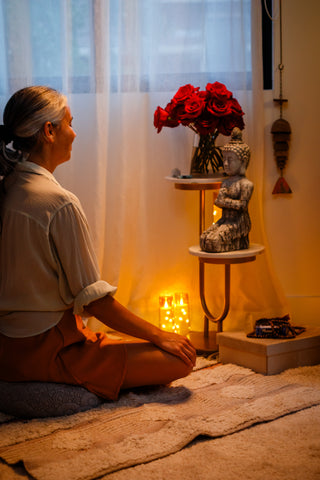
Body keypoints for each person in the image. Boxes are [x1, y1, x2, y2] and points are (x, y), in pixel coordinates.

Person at [0, 86, 196, 401]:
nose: (75, 134)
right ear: (49, 131)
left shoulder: (7, 188)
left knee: (121, 343)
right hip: (51, 351)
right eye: (69, 123)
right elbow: (95, 303)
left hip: (7, 349)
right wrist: (161, 335)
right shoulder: (58, 203)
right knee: (181, 359)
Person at [200, 128, 253, 252]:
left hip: (238, 222)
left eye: (230, 160)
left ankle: (238, 242)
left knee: (214, 241)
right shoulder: (226, 182)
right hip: (224, 220)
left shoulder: (246, 184)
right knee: (204, 238)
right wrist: (225, 201)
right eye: (224, 159)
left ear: (243, 161)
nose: (225, 163)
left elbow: (242, 206)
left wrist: (224, 201)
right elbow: (218, 202)